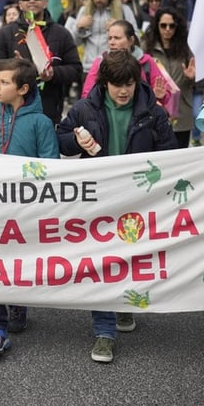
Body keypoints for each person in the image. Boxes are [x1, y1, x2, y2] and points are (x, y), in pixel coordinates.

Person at [57, 50, 176, 363]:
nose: (124, 91)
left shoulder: (154, 112)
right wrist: (75, 142)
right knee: (102, 260)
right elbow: (61, 138)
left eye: (130, 84)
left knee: (131, 258)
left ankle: (123, 305)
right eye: (117, 84)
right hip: (98, 198)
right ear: (104, 82)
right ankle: (104, 331)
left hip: (137, 198)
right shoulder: (84, 109)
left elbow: (170, 154)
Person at [0, 58, 58, 357]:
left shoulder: (41, 123)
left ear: (23, 88)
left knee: (19, 262)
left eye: (4, 82)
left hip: (25, 210)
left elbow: (50, 166)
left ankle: (18, 302)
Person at [0, 0, 82, 125]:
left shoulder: (61, 33)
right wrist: (18, 68)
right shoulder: (5, 33)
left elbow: (75, 69)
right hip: (10, 111)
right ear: (20, 4)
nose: (32, 1)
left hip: (48, 109)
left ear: (45, 2)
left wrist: (53, 74)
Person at [80, 20, 169, 111]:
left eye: (117, 38)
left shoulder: (147, 62)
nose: (112, 42)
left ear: (131, 40)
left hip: (141, 118)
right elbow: (87, 95)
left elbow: (165, 92)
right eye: (110, 38)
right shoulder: (100, 62)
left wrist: (160, 96)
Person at [142, 8, 195, 147]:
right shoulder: (146, 47)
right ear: (156, 25)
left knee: (181, 155)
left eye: (172, 26)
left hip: (181, 111)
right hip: (155, 109)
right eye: (163, 25)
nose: (167, 29)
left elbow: (196, 80)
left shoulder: (186, 48)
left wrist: (192, 77)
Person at [70, 0, 138, 73]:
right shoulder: (84, 11)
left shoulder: (124, 10)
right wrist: (78, 27)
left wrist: (119, 27)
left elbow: (135, 38)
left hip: (115, 67)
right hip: (89, 69)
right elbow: (74, 43)